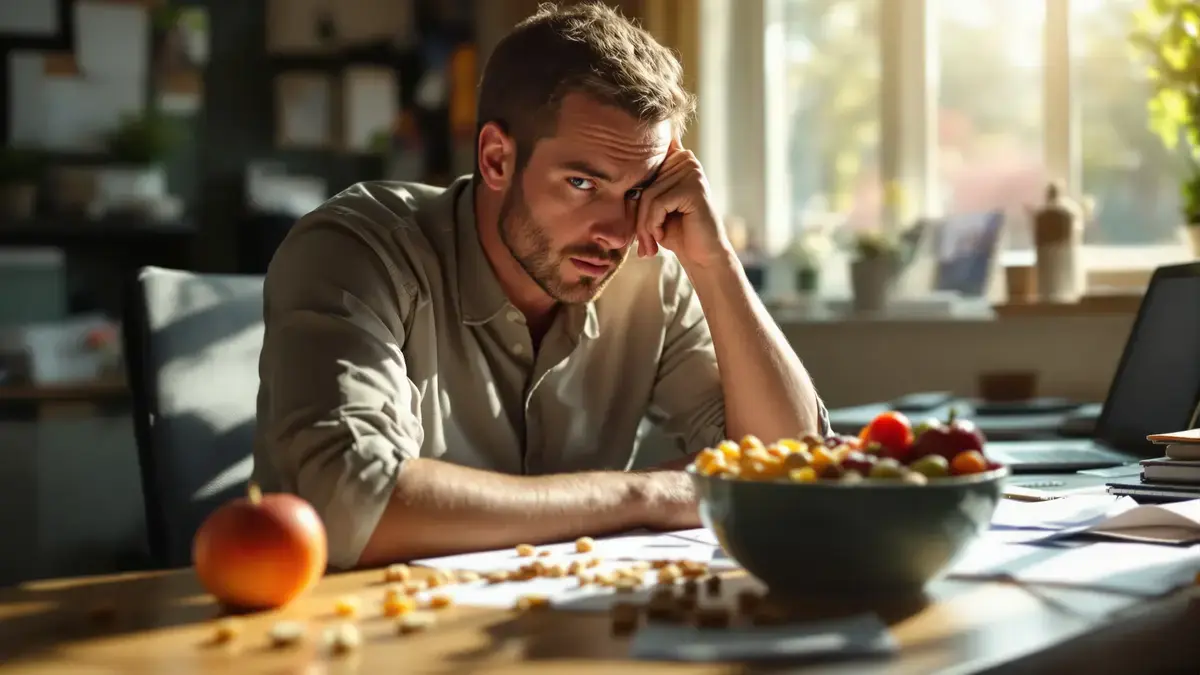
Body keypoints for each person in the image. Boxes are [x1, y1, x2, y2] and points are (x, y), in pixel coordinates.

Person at [253, 2, 829, 570]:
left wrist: (715, 260)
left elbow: (795, 470)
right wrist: (641, 496)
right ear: (497, 159)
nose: (617, 233)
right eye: (583, 183)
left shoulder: (653, 273)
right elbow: (353, 503)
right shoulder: (358, 251)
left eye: (638, 192)